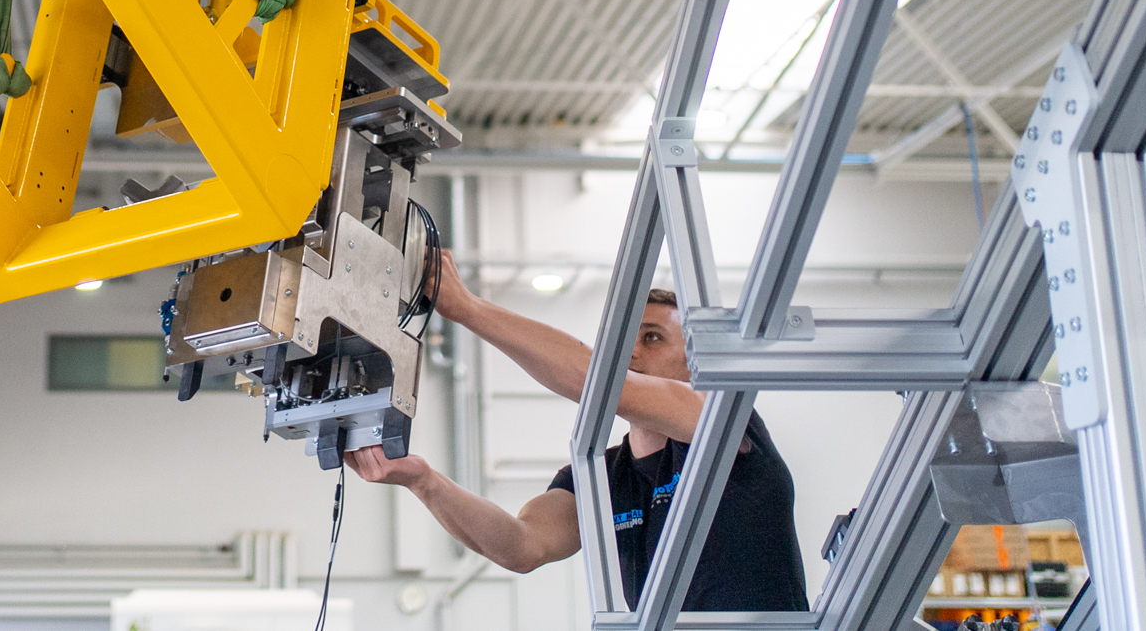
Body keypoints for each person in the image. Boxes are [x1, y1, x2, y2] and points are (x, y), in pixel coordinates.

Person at [346, 254, 808, 612]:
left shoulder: (719, 420)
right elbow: (522, 545)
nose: (629, 353)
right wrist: (424, 481)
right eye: (621, 341)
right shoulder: (600, 474)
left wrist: (467, 308)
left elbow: (599, 383)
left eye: (652, 337)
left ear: (694, 363)